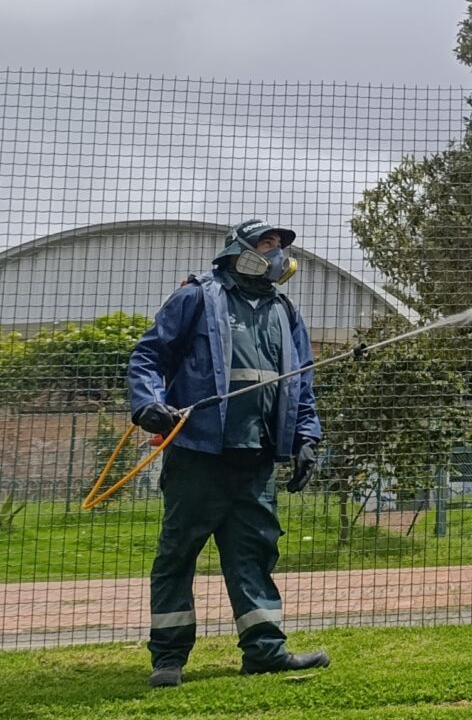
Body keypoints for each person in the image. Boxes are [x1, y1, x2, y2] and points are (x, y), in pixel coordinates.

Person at [127, 219, 330, 687]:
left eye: (280, 246)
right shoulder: (196, 296)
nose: (276, 252)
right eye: (267, 243)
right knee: (179, 553)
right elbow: (148, 357)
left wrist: (306, 438)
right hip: (199, 453)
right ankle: (168, 659)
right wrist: (148, 405)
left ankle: (265, 651)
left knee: (254, 555)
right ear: (238, 248)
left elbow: (301, 383)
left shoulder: (284, 311)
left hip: (255, 458)